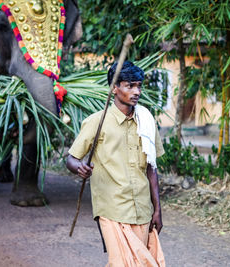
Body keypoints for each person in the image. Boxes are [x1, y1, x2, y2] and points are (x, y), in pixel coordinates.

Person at [66, 61, 166, 267]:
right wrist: (80, 168)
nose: (136, 91)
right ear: (115, 88)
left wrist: (157, 209)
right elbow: (71, 159)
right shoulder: (97, 121)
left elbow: (151, 168)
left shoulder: (146, 122)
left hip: (142, 210)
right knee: (121, 263)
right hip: (112, 210)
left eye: (138, 85)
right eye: (130, 86)